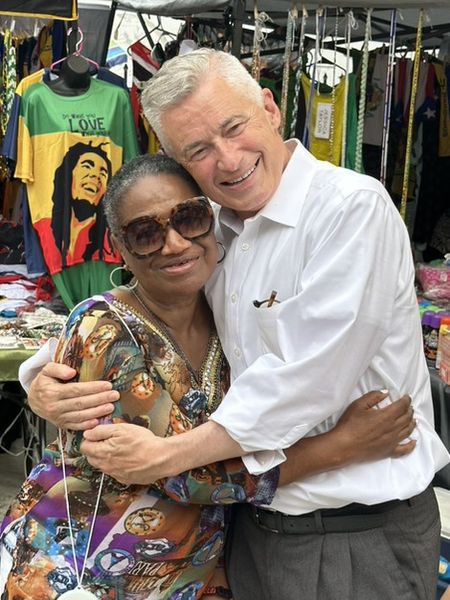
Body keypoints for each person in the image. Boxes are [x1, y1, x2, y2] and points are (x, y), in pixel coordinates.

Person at [24, 49, 450, 600]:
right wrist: (42, 381)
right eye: (199, 150)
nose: (227, 160)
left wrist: (168, 455)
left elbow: (305, 381)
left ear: (270, 109)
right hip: (244, 537)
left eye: (233, 127)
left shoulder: (347, 209)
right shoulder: (212, 228)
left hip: (350, 536)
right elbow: (142, 313)